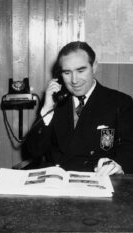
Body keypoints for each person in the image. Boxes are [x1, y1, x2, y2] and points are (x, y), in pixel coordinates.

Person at [26, 41, 133, 176]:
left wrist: (118, 164)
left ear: (94, 67)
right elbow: (34, 151)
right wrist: (47, 109)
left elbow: (129, 147)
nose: (74, 80)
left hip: (96, 179)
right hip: (57, 180)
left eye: (81, 70)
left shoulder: (119, 102)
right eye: (67, 73)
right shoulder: (56, 102)